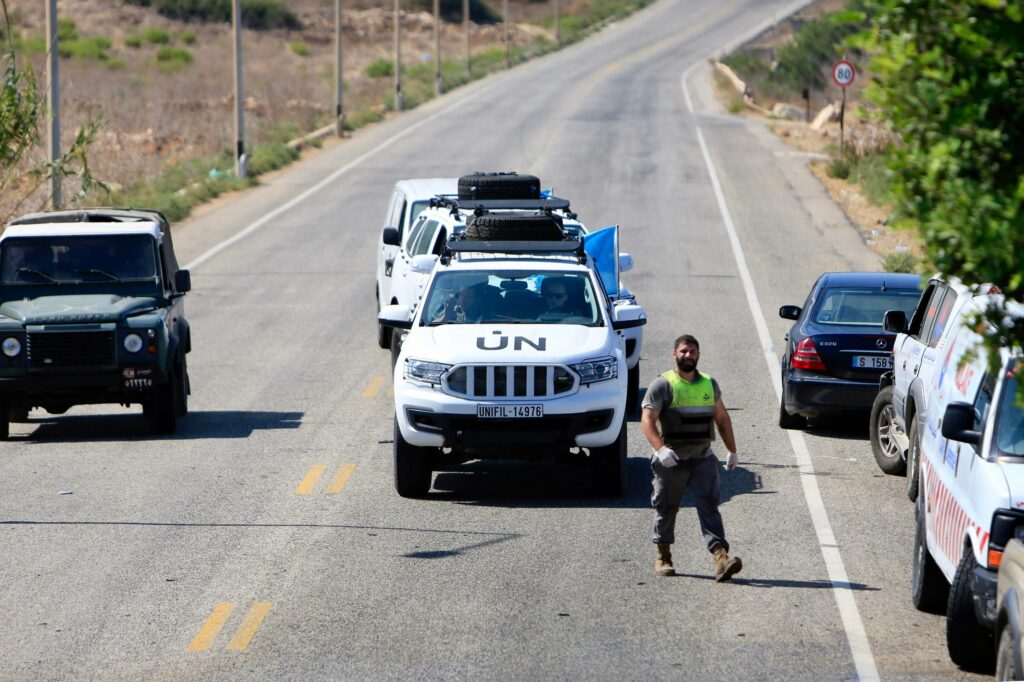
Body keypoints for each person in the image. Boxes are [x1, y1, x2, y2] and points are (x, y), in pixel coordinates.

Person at [640, 334, 743, 581]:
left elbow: (722, 419)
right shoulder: (662, 385)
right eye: (684, 351)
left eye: (693, 351)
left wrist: (732, 450)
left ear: (699, 354)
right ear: (675, 354)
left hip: (702, 459)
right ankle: (663, 554)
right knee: (666, 508)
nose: (689, 356)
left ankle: (721, 558)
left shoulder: (709, 383)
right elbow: (647, 420)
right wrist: (660, 449)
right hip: (671, 461)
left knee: (709, 507)